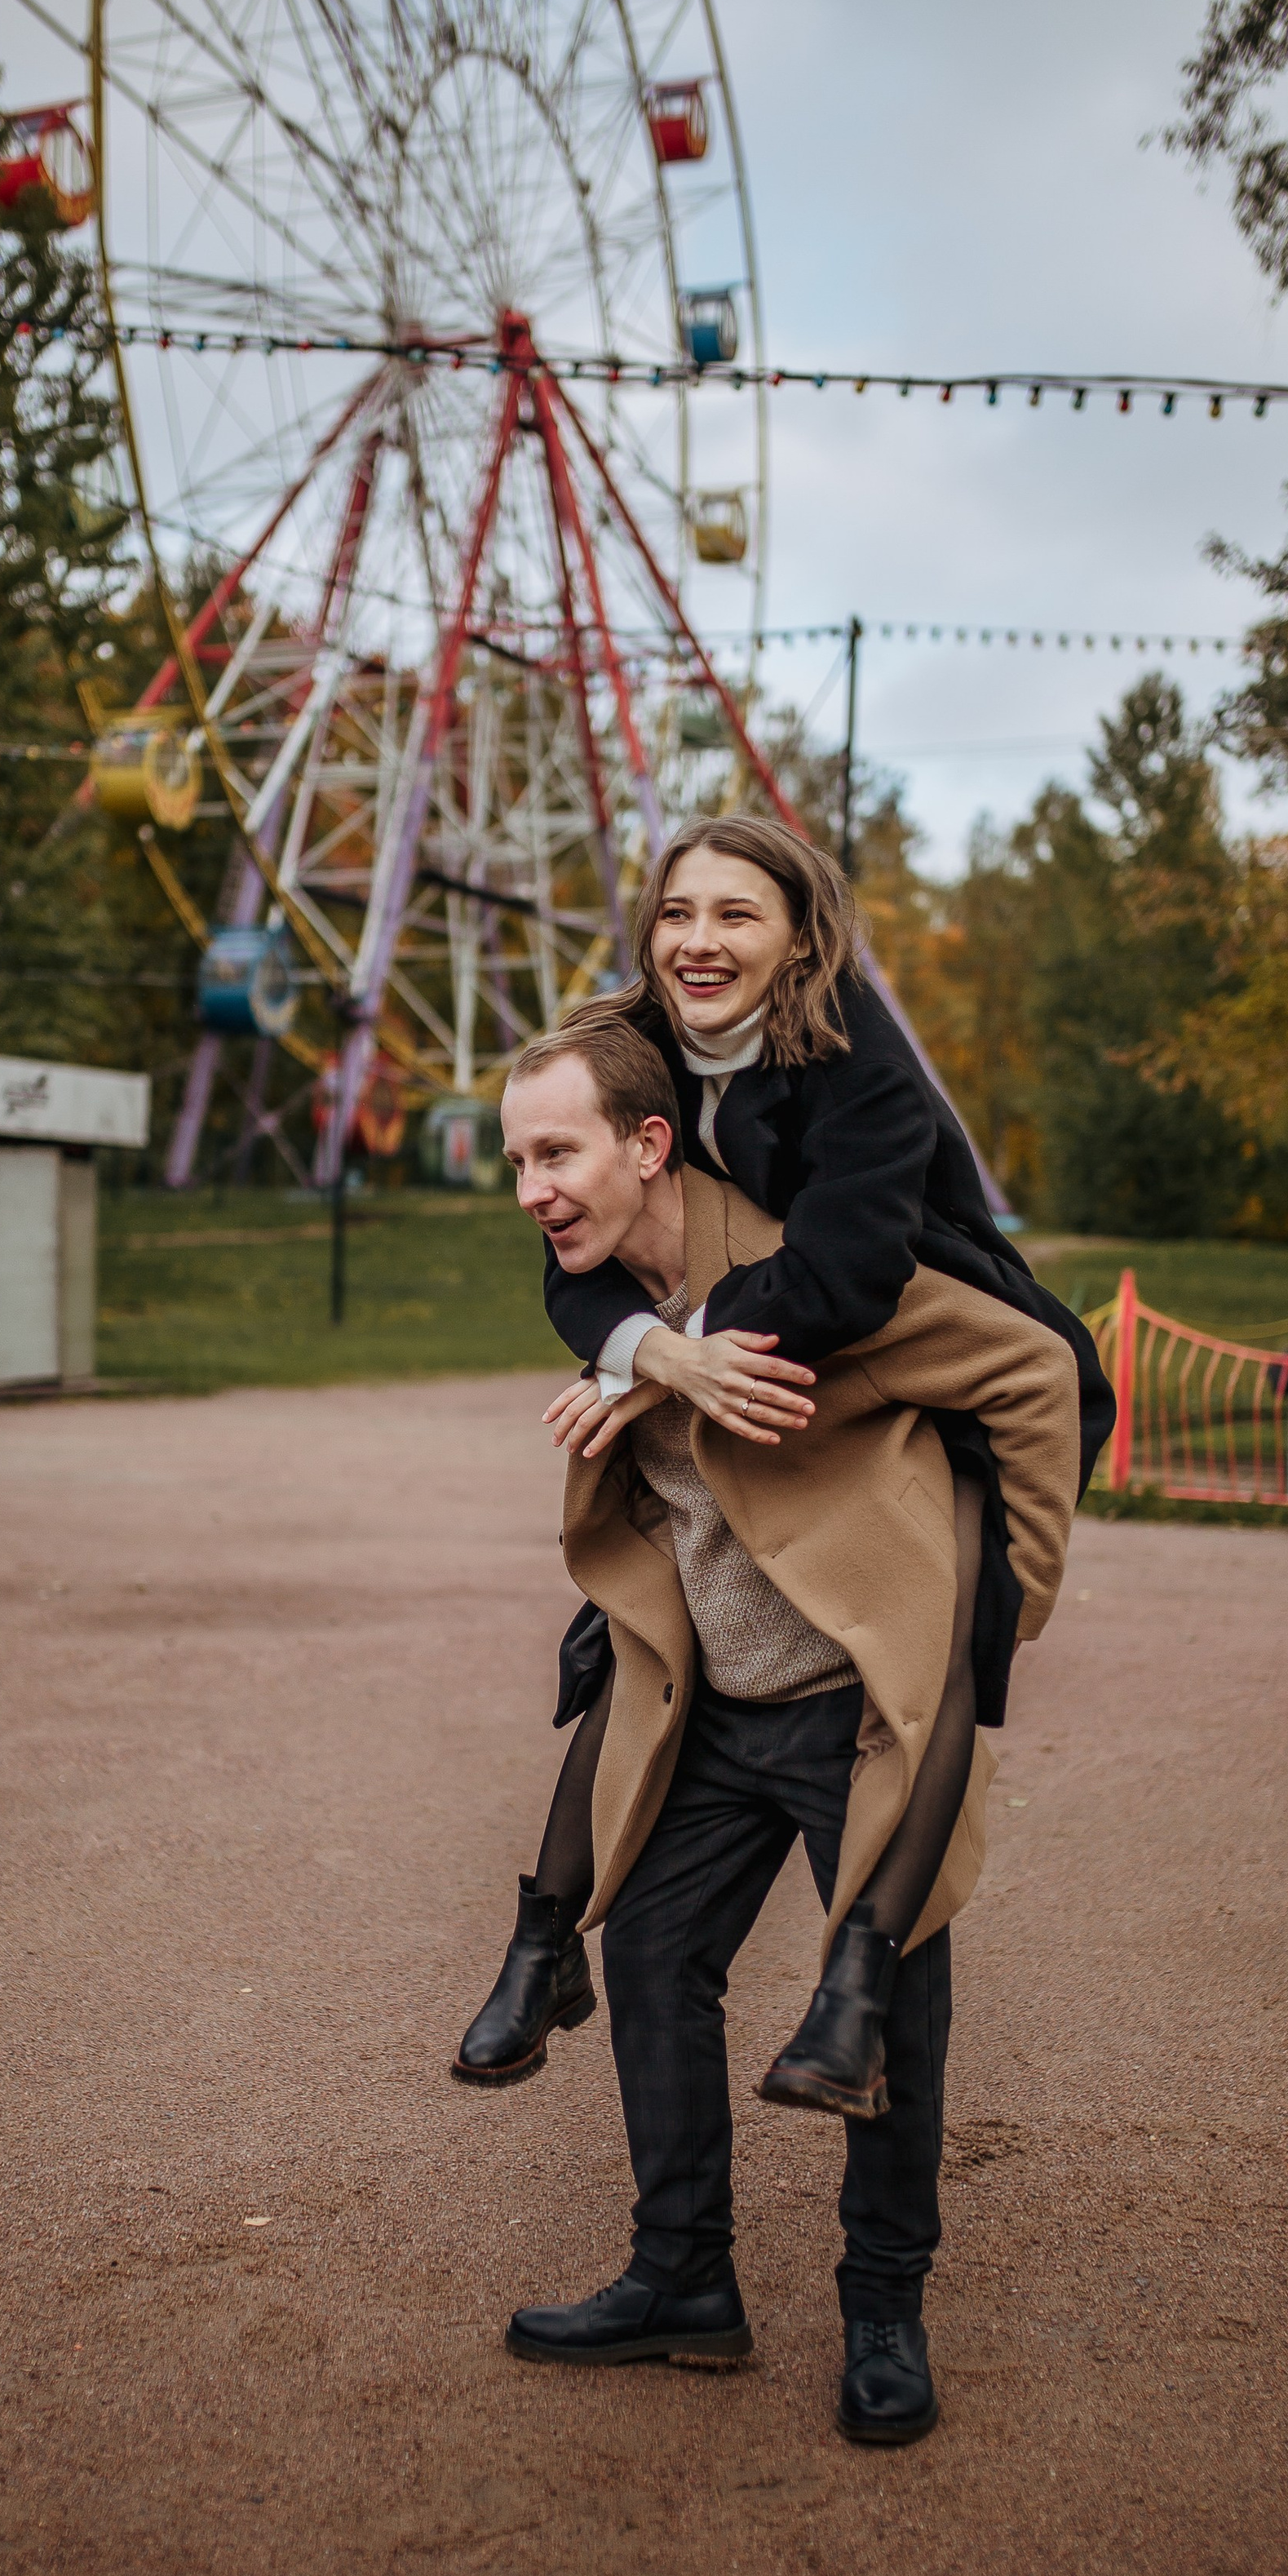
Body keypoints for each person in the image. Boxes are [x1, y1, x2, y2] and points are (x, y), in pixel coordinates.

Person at [487, 1014, 1082, 2440]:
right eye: (514, 1160)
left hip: (852, 1707)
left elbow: (1040, 1376)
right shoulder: (597, 1281)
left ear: (649, 1146)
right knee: (649, 1952)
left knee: (889, 2008)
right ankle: (683, 2276)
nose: (531, 1190)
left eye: (554, 1153)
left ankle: (885, 2307)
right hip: (719, 1704)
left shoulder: (816, 1272)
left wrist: (1001, 1611)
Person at [454, 812, 1110, 2093]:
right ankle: (548, 1940)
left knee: (947, 1663)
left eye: (737, 914)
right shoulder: (627, 1047)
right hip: (746, 1314)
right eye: (677, 913)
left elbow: (852, 1271)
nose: (699, 940)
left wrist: (685, 1342)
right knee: (623, 1637)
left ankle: (860, 1987)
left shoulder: (857, 1058)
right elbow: (570, 1255)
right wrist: (650, 1354)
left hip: (922, 1328)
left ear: (799, 936)